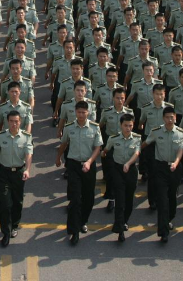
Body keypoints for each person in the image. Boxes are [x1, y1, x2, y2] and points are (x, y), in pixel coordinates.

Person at [55, 100, 103, 246]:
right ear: (75, 112)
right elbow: (64, 143)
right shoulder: (70, 128)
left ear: (88, 113)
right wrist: (58, 157)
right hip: (74, 165)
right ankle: (74, 231)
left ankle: (83, 221)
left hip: (89, 165)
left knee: (89, 198)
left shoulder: (94, 128)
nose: (81, 115)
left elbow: (98, 148)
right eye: (79, 112)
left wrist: (89, 162)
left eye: (84, 112)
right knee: (75, 199)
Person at [0, 110, 33, 247]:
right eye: (11, 121)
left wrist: (27, 169)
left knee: (17, 201)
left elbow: (28, 155)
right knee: (4, 203)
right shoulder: (1, 136)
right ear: (7, 122)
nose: (14, 124)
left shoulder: (26, 137)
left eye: (16, 121)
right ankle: (6, 232)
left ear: (20, 122)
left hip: (18, 172)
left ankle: (14, 225)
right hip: (4, 172)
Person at [144, 105, 183, 244]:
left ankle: (169, 218)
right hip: (160, 168)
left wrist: (176, 162)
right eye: (167, 117)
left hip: (175, 168)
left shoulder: (181, 133)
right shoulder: (156, 132)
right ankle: (163, 232)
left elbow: (181, 150)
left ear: (175, 117)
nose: (170, 119)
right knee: (162, 199)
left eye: (172, 117)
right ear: (163, 118)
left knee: (172, 197)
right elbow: (146, 143)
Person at [103, 112, 141, 243]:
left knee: (129, 200)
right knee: (120, 200)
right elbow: (107, 149)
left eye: (130, 125)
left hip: (131, 170)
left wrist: (129, 163)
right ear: (121, 125)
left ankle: (124, 221)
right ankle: (119, 229)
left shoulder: (137, 138)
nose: (128, 128)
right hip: (118, 170)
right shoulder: (113, 138)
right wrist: (103, 153)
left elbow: (137, 153)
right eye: (125, 125)